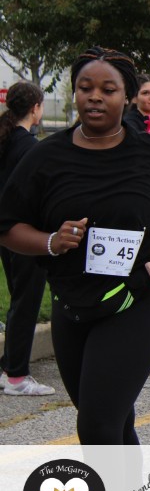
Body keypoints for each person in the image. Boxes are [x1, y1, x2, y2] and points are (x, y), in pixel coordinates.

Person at [0, 46, 150, 444]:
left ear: (127, 96)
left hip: (137, 301)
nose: (95, 97)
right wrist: (51, 241)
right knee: (111, 420)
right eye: (85, 88)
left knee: (97, 424)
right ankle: (130, 487)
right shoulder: (46, 156)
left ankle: (104, 490)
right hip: (72, 306)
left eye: (108, 89)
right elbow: (8, 225)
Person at [0, 82, 54, 396]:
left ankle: (9, 365)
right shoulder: (30, 147)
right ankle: (17, 376)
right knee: (26, 303)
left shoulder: (6, 139)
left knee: (19, 300)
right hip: (26, 234)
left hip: (6, 233)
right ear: (35, 108)